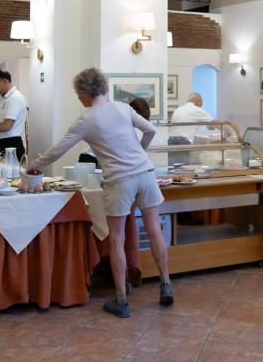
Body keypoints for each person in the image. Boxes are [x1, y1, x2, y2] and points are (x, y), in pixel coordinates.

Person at [29, 68, 172, 318]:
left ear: (85, 92)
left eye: (78, 94)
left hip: (119, 179)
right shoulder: (123, 108)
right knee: (154, 229)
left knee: (116, 238)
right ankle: (166, 285)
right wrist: (140, 152)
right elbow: (150, 130)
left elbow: (58, 150)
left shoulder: (86, 120)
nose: (78, 98)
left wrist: (34, 165)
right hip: (146, 173)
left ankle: (121, 300)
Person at [0, 69, 27, 160]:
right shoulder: (6, 98)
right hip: (2, 144)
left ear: (5, 81)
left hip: (11, 145)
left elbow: (6, 126)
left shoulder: (15, 98)